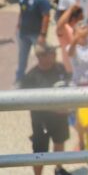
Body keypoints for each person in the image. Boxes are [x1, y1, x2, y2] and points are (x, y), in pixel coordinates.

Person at [20, 44, 72, 175]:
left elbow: (67, 86)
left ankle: (59, 169)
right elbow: (25, 102)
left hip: (60, 119)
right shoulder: (31, 77)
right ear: (40, 57)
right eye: (51, 53)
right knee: (40, 152)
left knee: (59, 143)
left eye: (54, 53)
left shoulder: (59, 67)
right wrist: (54, 109)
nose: (55, 55)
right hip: (41, 123)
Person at [14, 0, 51, 84]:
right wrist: (19, 24)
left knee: (42, 56)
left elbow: (46, 16)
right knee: (22, 57)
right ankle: (19, 79)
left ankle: (46, 79)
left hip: (36, 34)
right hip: (23, 34)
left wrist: (43, 34)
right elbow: (22, 11)